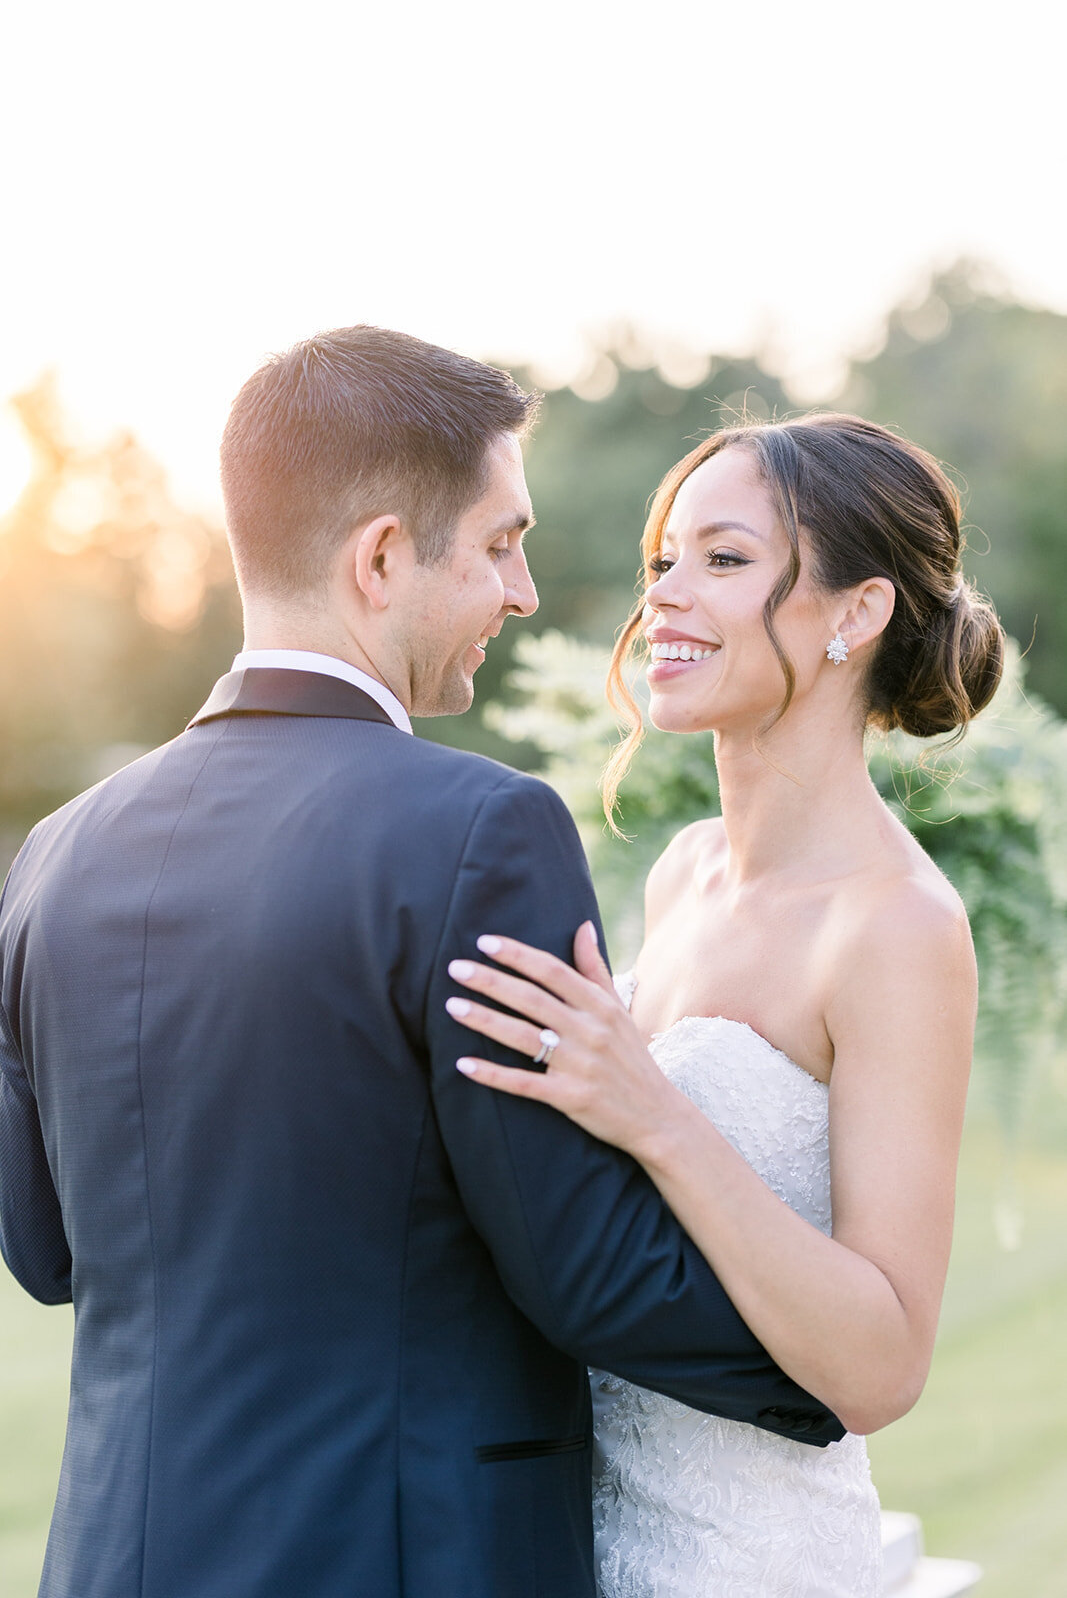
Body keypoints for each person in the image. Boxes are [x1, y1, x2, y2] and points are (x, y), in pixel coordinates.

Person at [0, 329, 841, 1598]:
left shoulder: (53, 861)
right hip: (405, 1561)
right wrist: (830, 1371)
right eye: (501, 543)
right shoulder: (476, 834)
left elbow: (48, 1250)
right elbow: (585, 1269)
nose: (523, 593)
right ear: (382, 557)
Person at [447, 412, 1005, 1597]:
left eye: (724, 559)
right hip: (587, 1542)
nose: (665, 600)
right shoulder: (683, 869)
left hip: (753, 1561)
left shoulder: (896, 927)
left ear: (854, 614)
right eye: (663, 562)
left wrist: (652, 1111)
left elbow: (881, 1362)